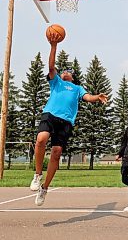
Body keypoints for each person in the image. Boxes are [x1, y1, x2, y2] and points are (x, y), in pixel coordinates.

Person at [30, 33, 108, 206]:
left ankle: (45, 188)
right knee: (41, 139)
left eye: (69, 71)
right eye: (64, 70)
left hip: (66, 122)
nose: (65, 72)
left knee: (56, 153)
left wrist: (97, 97)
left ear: (73, 76)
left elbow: (87, 97)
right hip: (50, 114)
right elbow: (51, 67)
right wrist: (53, 46)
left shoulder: (77, 88)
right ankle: (37, 175)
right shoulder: (56, 82)